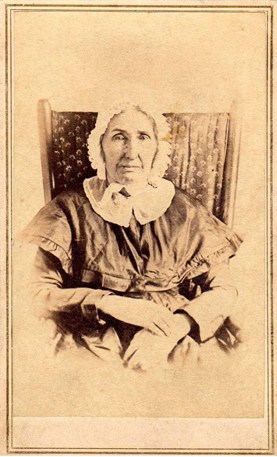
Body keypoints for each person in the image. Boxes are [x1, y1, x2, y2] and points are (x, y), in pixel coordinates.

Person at [22, 103, 242, 372]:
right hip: (90, 334)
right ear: (100, 145)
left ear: (157, 148)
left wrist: (176, 327)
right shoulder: (69, 209)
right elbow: (36, 295)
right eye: (119, 137)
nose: (131, 152)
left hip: (172, 331)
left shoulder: (185, 210)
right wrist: (107, 303)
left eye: (143, 137)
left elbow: (225, 289)